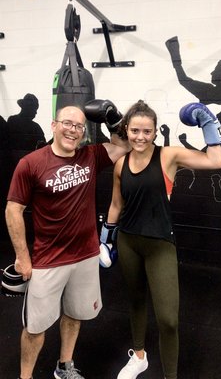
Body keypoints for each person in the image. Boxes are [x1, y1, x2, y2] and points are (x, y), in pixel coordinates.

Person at [5, 99, 130, 379]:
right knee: (35, 328)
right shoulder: (31, 164)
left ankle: (64, 367)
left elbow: (124, 146)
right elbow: (13, 210)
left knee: (74, 315)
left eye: (79, 126)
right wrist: (22, 256)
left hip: (86, 255)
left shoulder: (90, 156)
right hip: (48, 259)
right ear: (54, 125)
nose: (73, 130)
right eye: (67, 123)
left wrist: (113, 119)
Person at [99, 100, 221, 379]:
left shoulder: (168, 156)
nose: (140, 137)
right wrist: (106, 239)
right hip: (128, 242)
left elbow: (217, 160)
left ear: (155, 132)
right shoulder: (121, 163)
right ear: (127, 130)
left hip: (159, 244)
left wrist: (208, 122)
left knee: (168, 320)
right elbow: (116, 204)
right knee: (136, 301)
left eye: (146, 131)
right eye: (135, 131)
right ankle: (139, 357)